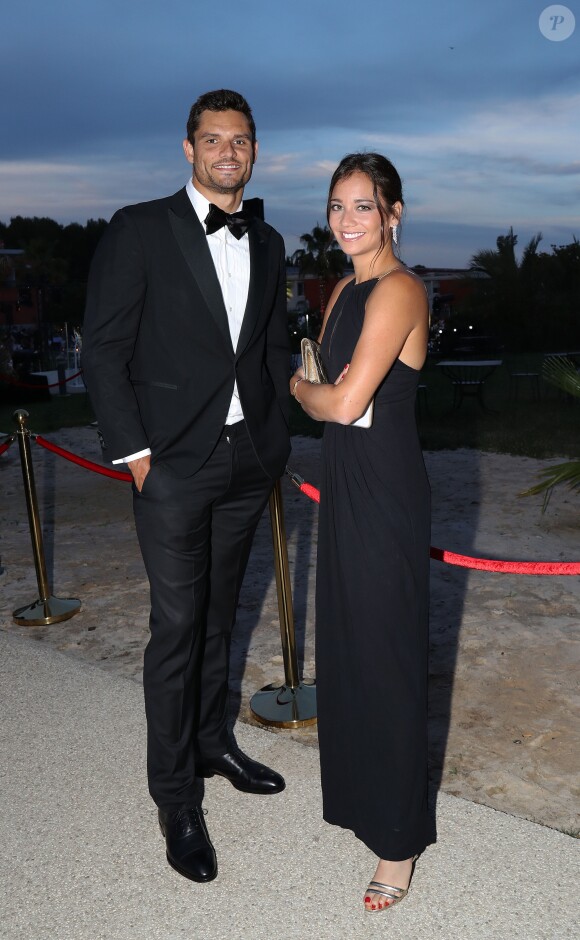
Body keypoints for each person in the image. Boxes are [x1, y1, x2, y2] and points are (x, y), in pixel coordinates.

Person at [83, 89, 290, 884]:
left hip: (247, 461)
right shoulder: (140, 228)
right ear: (188, 148)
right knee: (176, 627)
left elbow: (268, 348)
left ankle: (212, 742)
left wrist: (274, 441)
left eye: (240, 140)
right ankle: (175, 798)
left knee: (221, 615)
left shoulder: (268, 240)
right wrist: (136, 455)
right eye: (213, 139)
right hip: (169, 464)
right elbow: (103, 350)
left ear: (254, 151)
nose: (227, 152)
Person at [290, 152, 431, 912]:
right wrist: (320, 390)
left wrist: (299, 389)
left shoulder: (401, 289)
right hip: (344, 481)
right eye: (337, 206)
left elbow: (340, 403)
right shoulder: (344, 288)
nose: (346, 221)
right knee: (348, 649)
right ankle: (361, 800)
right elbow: (333, 385)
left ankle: (398, 844)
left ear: (393, 214)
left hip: (386, 493)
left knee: (387, 658)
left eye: (363, 206)